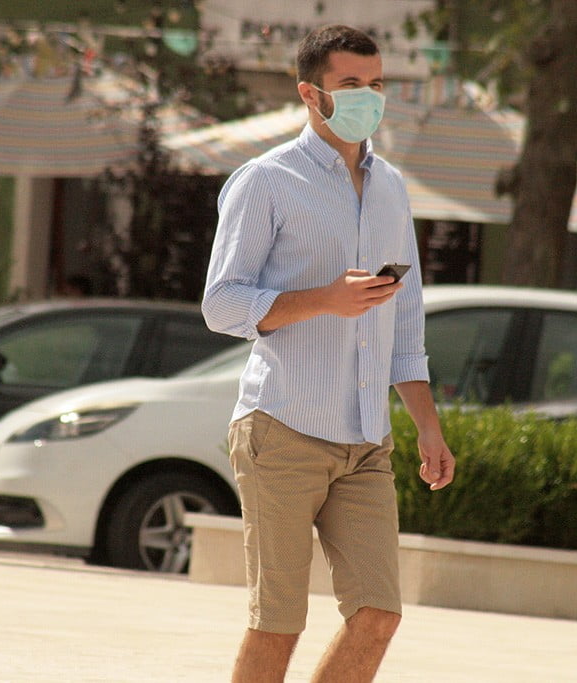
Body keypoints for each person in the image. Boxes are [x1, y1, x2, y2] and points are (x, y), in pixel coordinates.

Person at [202, 24, 456, 683]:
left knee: (378, 615)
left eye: (376, 84)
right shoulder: (265, 181)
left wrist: (427, 426)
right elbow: (221, 304)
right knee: (278, 622)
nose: (368, 97)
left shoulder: (392, 187)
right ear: (310, 93)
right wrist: (324, 300)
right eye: (351, 85)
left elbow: (405, 319)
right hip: (282, 430)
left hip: (367, 443)